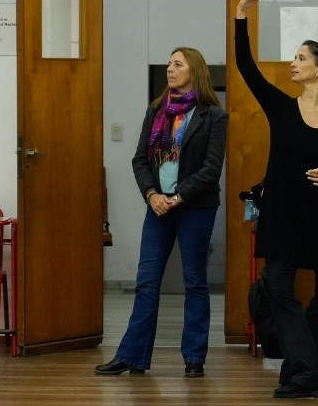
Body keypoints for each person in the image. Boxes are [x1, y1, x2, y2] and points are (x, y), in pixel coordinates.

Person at [235, 0, 318, 399]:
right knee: (277, 288)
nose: (293, 63)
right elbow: (245, 66)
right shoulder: (280, 107)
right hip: (285, 215)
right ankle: (309, 371)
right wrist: (241, 16)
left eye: (300, 58)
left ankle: (300, 367)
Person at [95, 47, 229, 378]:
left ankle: (194, 357)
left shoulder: (213, 115)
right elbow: (140, 159)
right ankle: (132, 357)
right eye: (169, 63)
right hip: (157, 207)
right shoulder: (157, 111)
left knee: (195, 281)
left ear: (194, 70)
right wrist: (152, 194)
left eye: (177, 64)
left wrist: (179, 196)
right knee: (146, 281)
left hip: (195, 207)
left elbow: (211, 170)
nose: (170, 69)